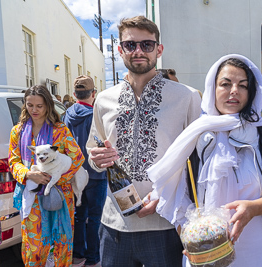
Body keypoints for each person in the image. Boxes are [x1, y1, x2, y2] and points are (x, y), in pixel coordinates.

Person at [148, 54, 262, 266]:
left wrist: (255, 208)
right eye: (225, 84)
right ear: (212, 89)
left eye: (243, 85)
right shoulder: (193, 137)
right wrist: (191, 239)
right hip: (209, 256)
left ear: (251, 92)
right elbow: (178, 201)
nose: (234, 90)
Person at [85, 16, 201, 267]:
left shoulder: (187, 98)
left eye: (147, 45)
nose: (138, 51)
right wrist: (96, 159)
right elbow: (93, 154)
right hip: (114, 225)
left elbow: (199, 160)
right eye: (130, 45)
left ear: (159, 49)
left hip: (167, 223)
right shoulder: (104, 100)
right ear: (120, 50)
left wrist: (167, 195)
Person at [8, 85, 84, 267]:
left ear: (48, 106)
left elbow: (77, 158)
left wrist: (55, 179)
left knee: (60, 243)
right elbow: (13, 161)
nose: (34, 110)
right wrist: (28, 174)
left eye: (39, 106)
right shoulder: (17, 132)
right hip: (31, 196)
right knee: (34, 246)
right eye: (30, 105)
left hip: (59, 196)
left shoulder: (60, 130)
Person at [63, 75, 106, 267]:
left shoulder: (67, 114)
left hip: (74, 173)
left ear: (74, 94)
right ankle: (93, 257)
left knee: (79, 216)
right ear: (93, 94)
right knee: (95, 217)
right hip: (96, 173)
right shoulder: (96, 114)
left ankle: (77, 254)